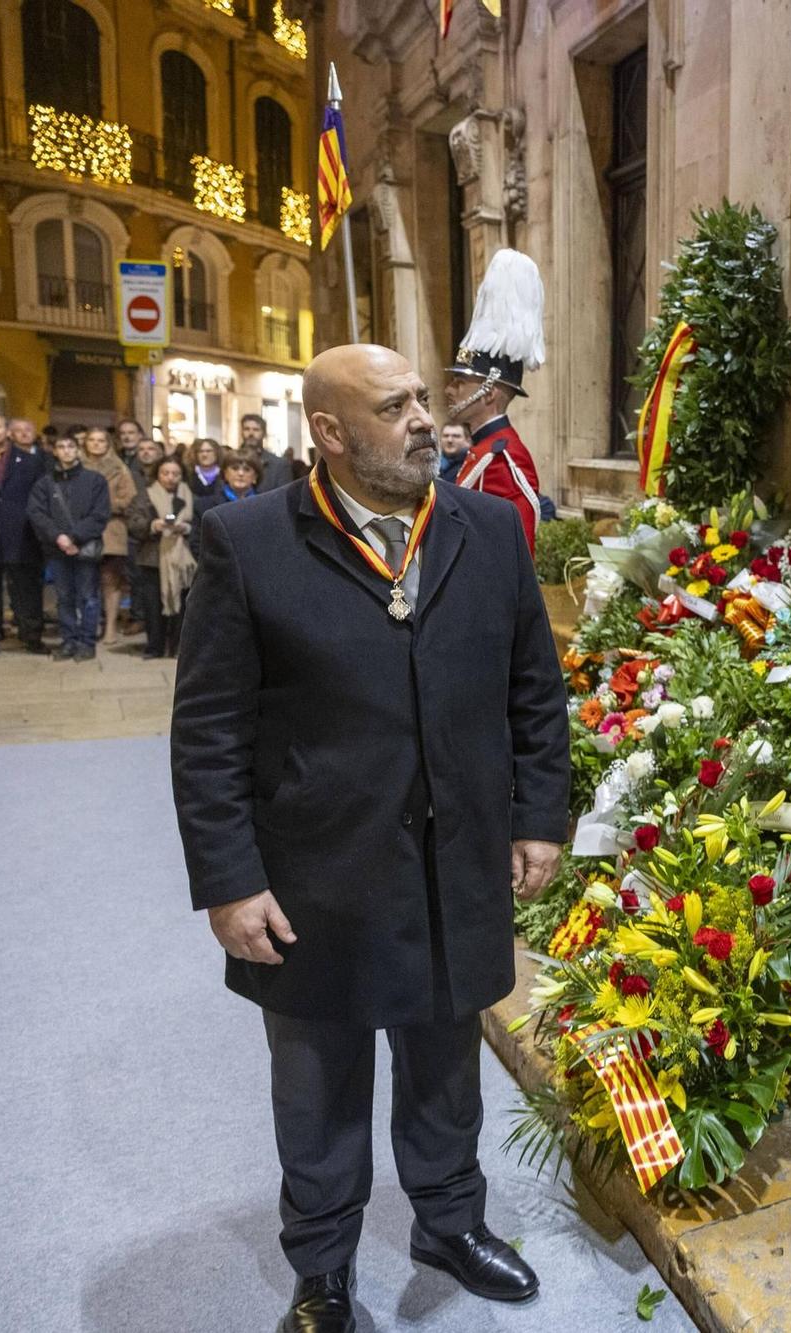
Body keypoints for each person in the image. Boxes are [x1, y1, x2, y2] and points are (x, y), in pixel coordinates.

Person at [171, 343, 568, 1333]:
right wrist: (229, 881)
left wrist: (537, 818)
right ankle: (323, 1268)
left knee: (446, 1070)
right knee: (320, 1089)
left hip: (454, 866)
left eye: (424, 398)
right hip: (318, 877)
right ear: (334, 433)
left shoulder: (488, 529)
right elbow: (209, 731)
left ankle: (448, 1222)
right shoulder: (249, 541)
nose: (426, 417)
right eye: (395, 407)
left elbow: (534, 692)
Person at [445, 249, 545, 556]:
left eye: (460, 383)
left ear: (489, 392)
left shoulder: (503, 458)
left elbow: (514, 554)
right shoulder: (484, 450)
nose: (450, 390)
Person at [25, 432, 109, 661]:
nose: (66, 451)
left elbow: (100, 515)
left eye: (71, 446)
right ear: (55, 451)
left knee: (88, 597)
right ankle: (69, 641)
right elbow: (37, 513)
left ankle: (87, 642)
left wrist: (73, 537)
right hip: (57, 549)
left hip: (85, 547)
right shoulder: (45, 483)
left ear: (78, 450)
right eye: (61, 447)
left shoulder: (95, 480)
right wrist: (59, 537)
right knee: (64, 597)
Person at [0, 412, 48, 656]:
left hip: (23, 536)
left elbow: (41, 499)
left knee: (26, 590)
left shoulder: (30, 462)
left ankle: (31, 636)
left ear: (7, 431)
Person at [127, 456, 196, 659]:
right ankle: (155, 646)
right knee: (153, 606)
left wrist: (187, 528)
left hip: (183, 560)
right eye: (165, 473)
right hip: (152, 557)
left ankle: (177, 647)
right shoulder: (145, 496)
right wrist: (153, 525)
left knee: (182, 607)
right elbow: (133, 521)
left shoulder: (188, 495)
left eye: (175, 473)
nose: (170, 478)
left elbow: (200, 523)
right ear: (157, 474)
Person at [80, 427, 137, 643]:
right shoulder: (76, 467)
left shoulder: (119, 468)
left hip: (112, 530)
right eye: (92, 440)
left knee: (110, 580)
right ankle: (90, 624)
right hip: (83, 530)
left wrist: (102, 506)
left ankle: (110, 626)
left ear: (108, 444)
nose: (96, 444)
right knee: (86, 581)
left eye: (101, 440)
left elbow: (129, 498)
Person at [190, 448, 260, 561]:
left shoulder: (265, 506)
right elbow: (197, 545)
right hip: (218, 572)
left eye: (247, 469)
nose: (240, 473)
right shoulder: (204, 506)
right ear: (225, 474)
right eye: (235, 468)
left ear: (255, 477)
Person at [242, 413, 291, 493]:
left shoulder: (279, 465)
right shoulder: (230, 461)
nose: (251, 433)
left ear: (263, 433)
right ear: (242, 432)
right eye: (247, 429)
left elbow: (284, 496)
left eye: (256, 429)